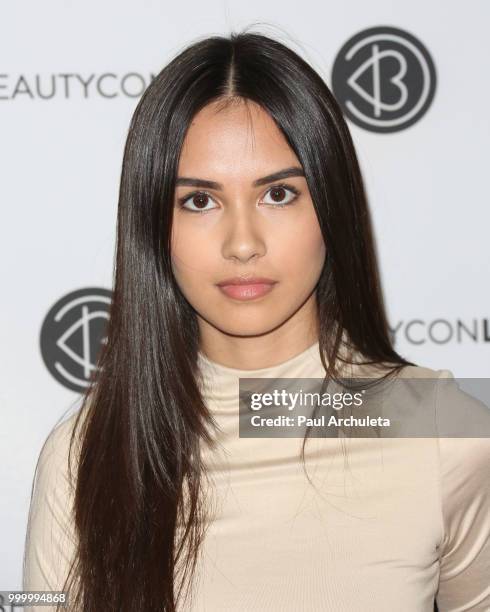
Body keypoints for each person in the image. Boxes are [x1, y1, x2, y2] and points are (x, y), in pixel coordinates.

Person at [23, 29, 490, 611]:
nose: (243, 243)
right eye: (200, 201)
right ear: (152, 226)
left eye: (278, 194)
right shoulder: (85, 454)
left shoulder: (443, 435)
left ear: (331, 204)